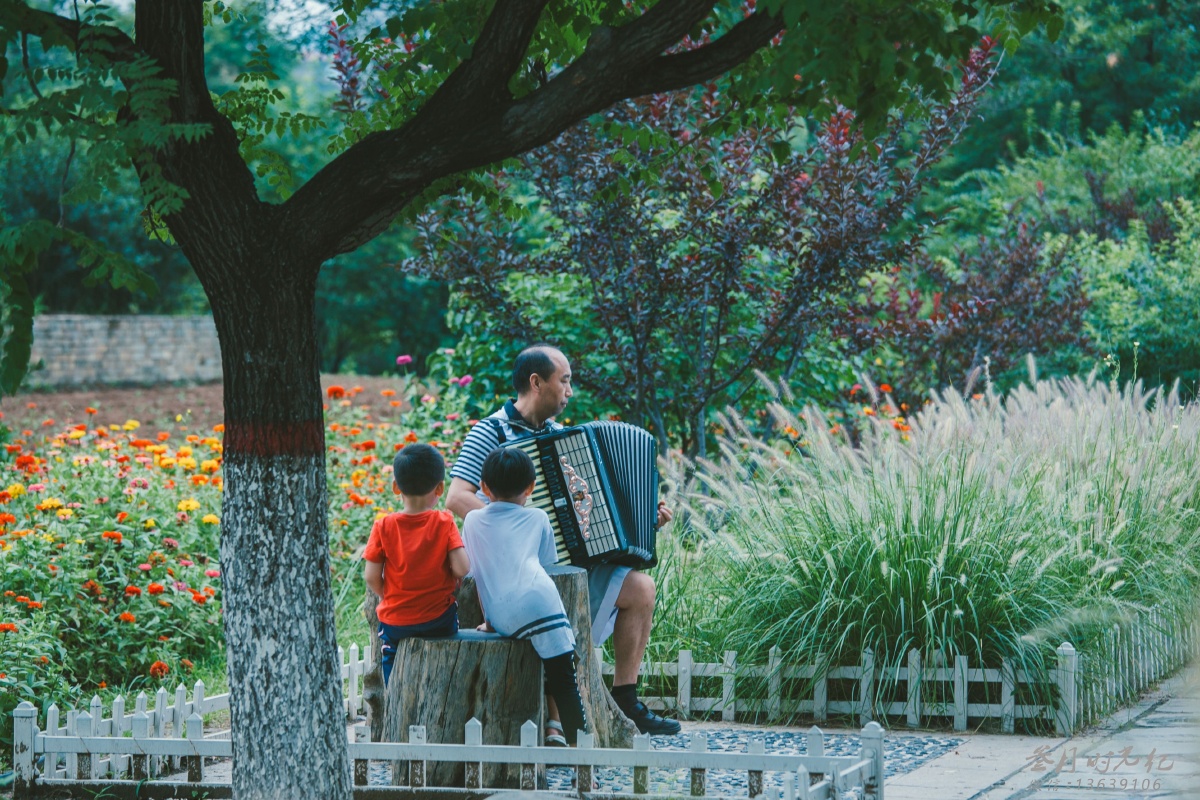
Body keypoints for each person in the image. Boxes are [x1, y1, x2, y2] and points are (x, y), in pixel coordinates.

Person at [447, 344, 681, 735]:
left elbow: (589, 512)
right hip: (519, 569)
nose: (570, 391)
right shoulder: (489, 431)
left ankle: (625, 701)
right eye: (565, 380)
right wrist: (516, 530)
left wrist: (641, 519)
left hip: (567, 564)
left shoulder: (564, 437)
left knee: (641, 588)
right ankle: (562, 721)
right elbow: (457, 496)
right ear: (537, 382)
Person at [463, 447, 589, 745]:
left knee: (557, 675)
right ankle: (584, 768)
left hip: (502, 616)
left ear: (483, 487)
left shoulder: (471, 521)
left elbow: (480, 576)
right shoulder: (538, 518)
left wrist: (490, 621)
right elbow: (546, 566)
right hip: (541, 602)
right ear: (531, 488)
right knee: (566, 684)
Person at [364, 443, 470, 686]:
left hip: (396, 620)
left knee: (389, 651)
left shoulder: (383, 526)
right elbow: (462, 568)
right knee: (445, 646)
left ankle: (394, 691)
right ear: (440, 488)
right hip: (439, 619)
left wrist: (387, 594)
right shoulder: (444, 522)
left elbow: (371, 576)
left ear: (395, 487)